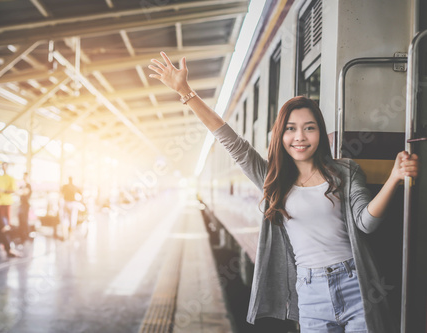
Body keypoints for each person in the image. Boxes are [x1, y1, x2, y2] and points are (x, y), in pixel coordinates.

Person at [148, 52, 419, 333]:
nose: (300, 137)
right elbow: (230, 141)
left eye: (309, 128)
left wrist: (394, 178)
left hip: (357, 286)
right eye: (291, 129)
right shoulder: (272, 179)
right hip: (311, 294)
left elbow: (366, 223)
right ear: (281, 135)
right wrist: (185, 92)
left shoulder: (346, 171)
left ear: (319, 133)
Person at [0, 162, 20, 257]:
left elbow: (14, 190)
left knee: (6, 227)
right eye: (2, 166)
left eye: (5, 166)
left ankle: (9, 248)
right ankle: (6, 246)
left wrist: (4, 191)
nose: (3, 168)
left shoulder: (11, 178)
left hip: (6, 204)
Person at [17, 172, 32, 242]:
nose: (24, 178)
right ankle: (22, 236)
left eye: (25, 177)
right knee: (21, 220)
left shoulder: (28, 186)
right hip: (22, 204)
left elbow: (24, 192)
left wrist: (20, 191)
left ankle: (26, 236)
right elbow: (18, 192)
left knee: (24, 220)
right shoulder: (22, 186)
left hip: (25, 205)